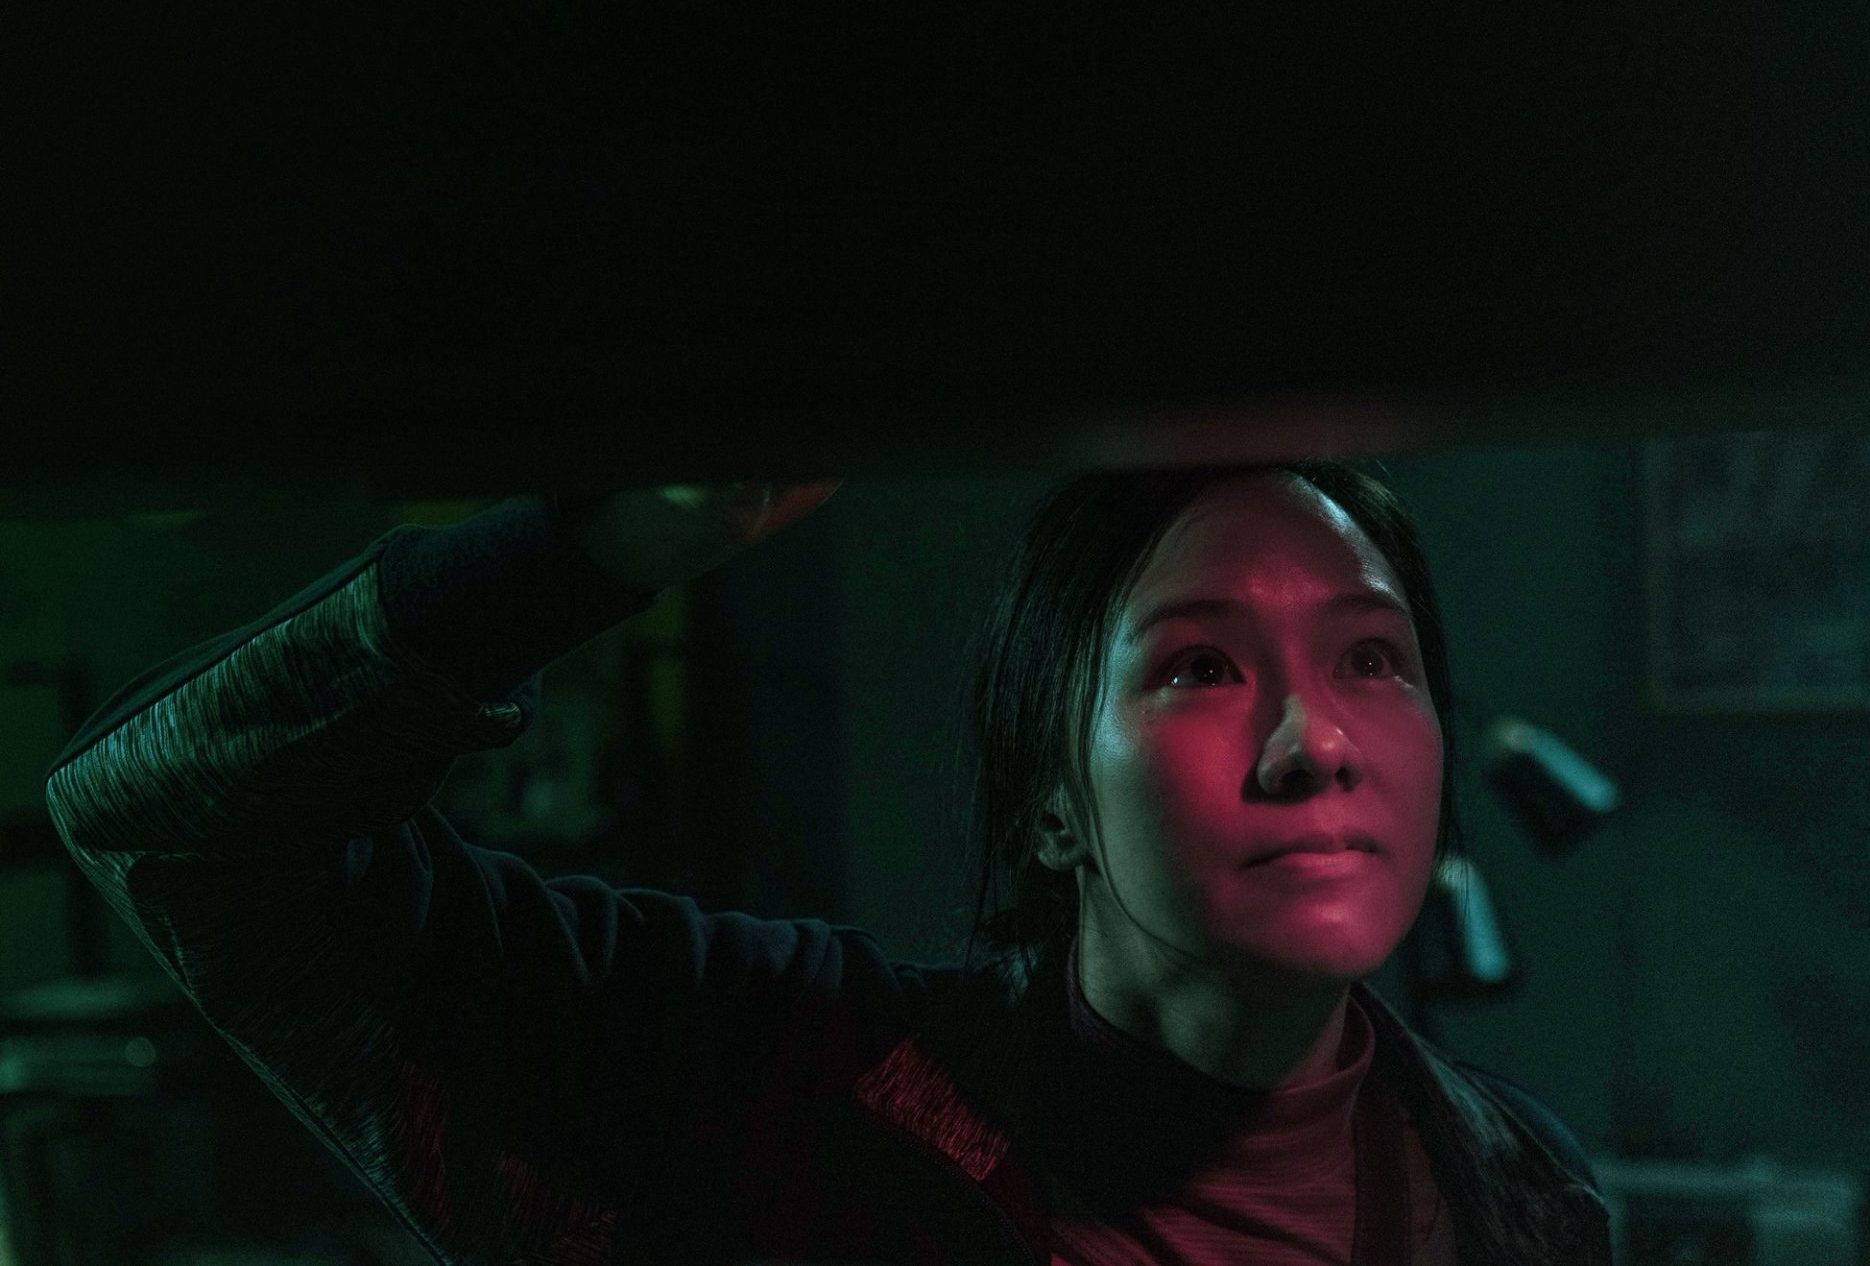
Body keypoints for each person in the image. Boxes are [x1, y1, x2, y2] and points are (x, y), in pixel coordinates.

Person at [44, 463, 1611, 1265]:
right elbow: (176, 817)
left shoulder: (1520, 1196)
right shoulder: (771, 1090)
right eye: (1200, 666)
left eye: (1372, 658)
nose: (1313, 740)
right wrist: (587, 551)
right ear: (1053, 803)